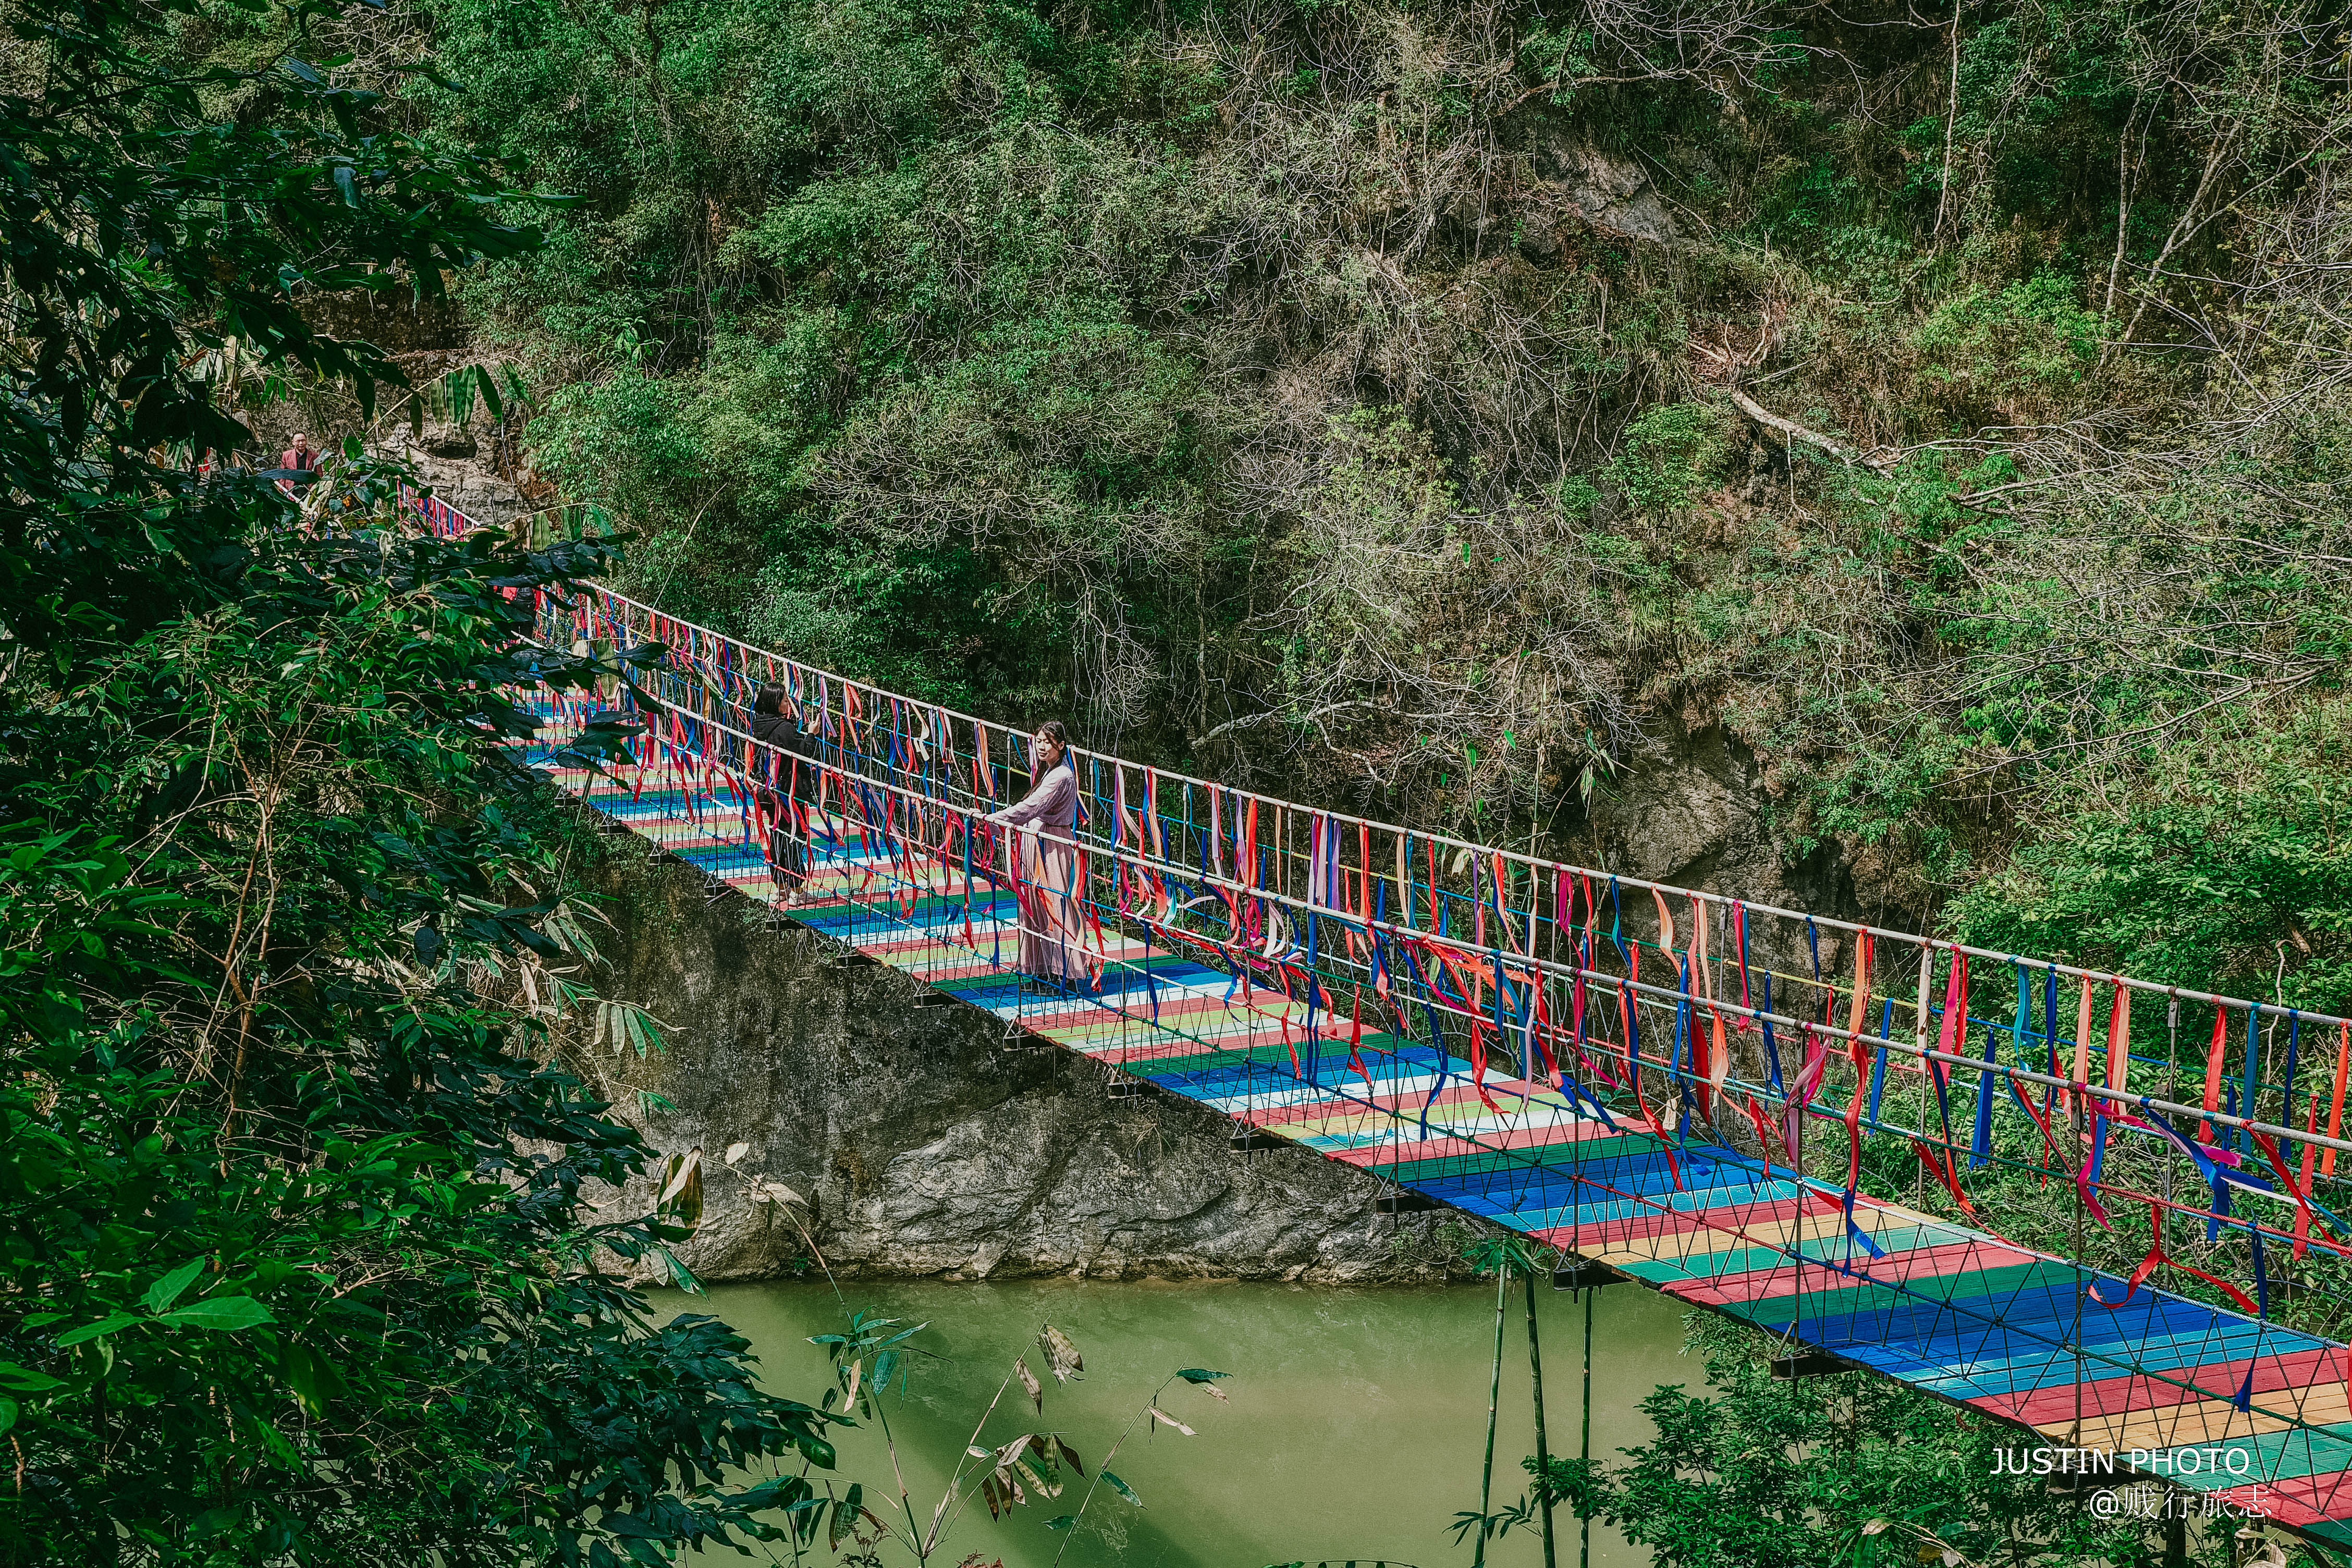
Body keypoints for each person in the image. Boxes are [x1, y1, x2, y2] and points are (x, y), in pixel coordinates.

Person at [987, 720, 1088, 993]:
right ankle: (1039, 969)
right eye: (1039, 742)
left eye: (1048, 742)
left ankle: (1064, 972)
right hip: (1037, 840)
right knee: (1032, 904)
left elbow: (1031, 807)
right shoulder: (1049, 772)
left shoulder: (1061, 777)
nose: (1042, 747)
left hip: (1053, 844)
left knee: (1054, 904)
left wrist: (993, 820)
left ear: (1061, 746)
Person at [750, 685, 819, 902]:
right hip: (788, 792)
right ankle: (797, 891)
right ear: (774, 702)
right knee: (795, 837)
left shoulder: (759, 725)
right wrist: (811, 734)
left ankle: (781, 888)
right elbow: (805, 753)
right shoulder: (784, 729)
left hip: (768, 791)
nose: (788, 704)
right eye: (784, 700)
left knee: (779, 834)